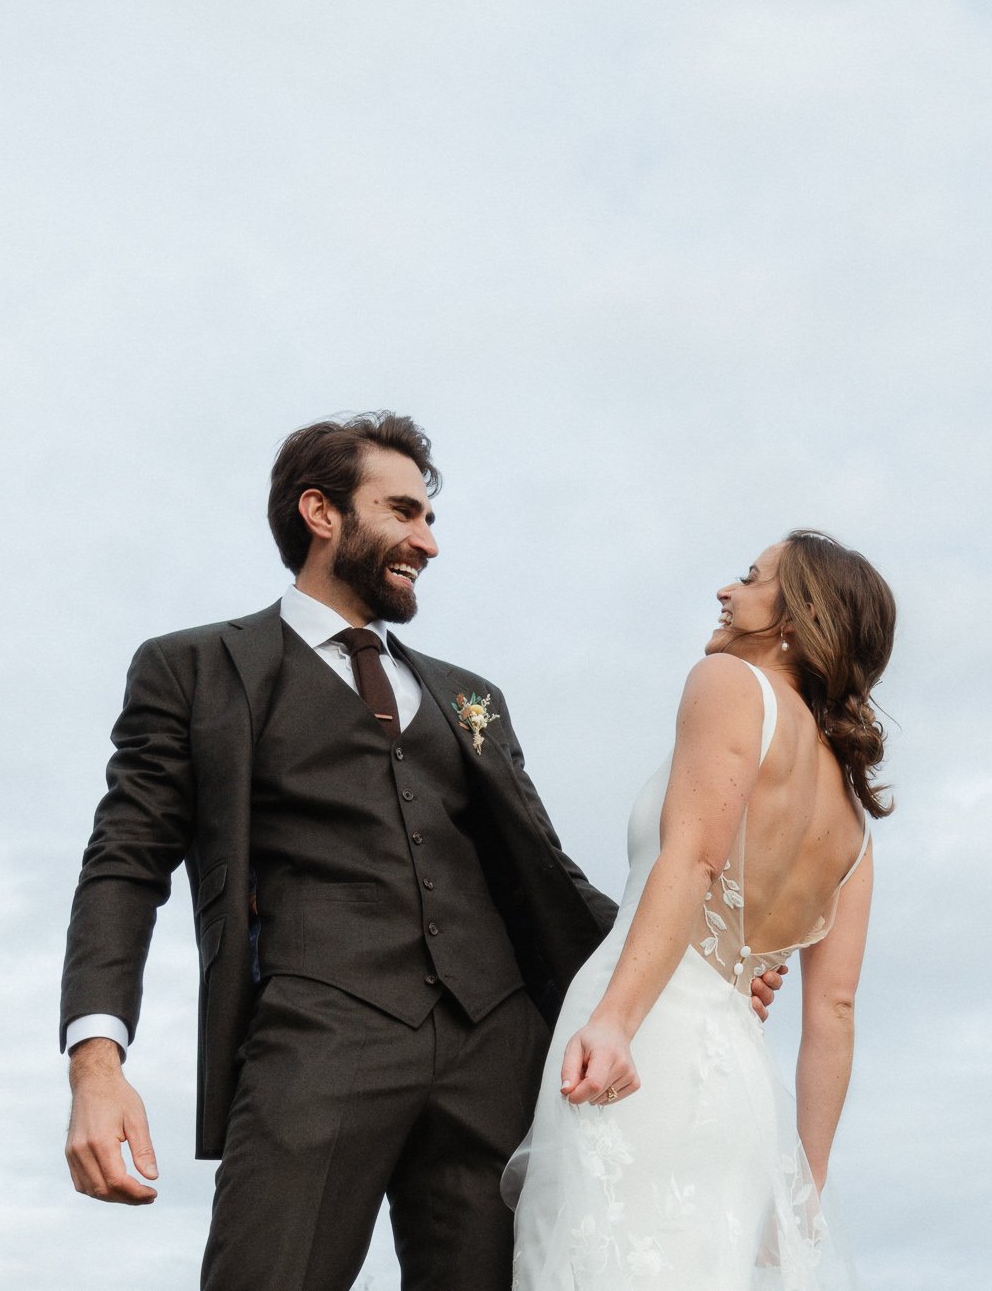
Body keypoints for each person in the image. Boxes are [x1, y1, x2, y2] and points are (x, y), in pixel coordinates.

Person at [56, 412, 787, 1290]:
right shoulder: (196, 668)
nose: (427, 541)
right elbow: (124, 862)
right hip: (316, 1038)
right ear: (321, 513)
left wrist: (699, 960)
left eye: (429, 518)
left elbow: (546, 874)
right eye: (403, 512)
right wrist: (96, 1064)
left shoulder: (469, 696)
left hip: (496, 1051)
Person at [504, 530, 895, 1288]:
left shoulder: (727, 685)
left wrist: (616, 1019)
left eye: (751, 578)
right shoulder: (853, 821)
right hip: (737, 1089)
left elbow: (693, 858)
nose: (727, 590)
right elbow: (834, 1012)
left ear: (796, 617)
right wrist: (803, 1192)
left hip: (644, 1041)